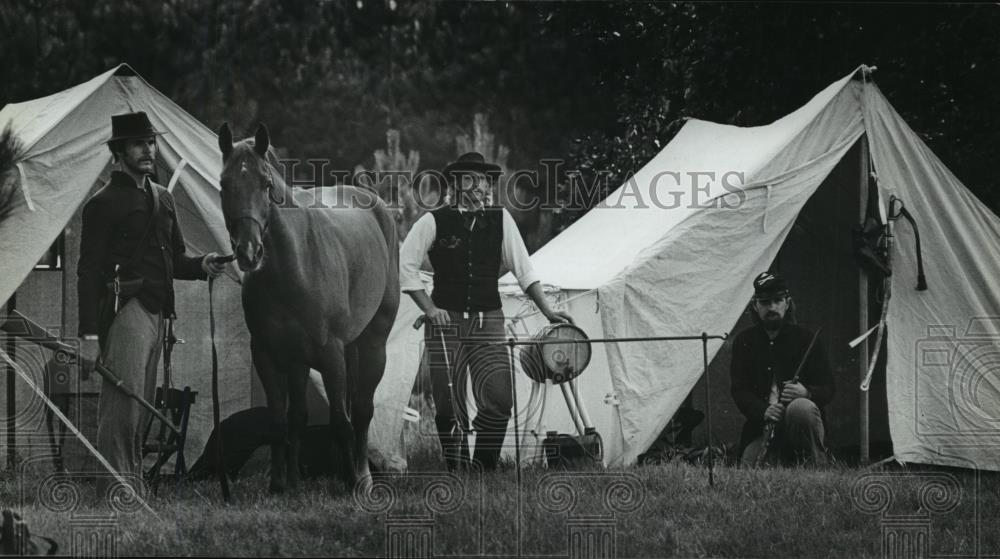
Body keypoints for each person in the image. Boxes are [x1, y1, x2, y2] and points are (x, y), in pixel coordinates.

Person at [77, 112, 226, 493]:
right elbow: (88, 272)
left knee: (140, 404)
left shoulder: (164, 198)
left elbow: (174, 259)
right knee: (122, 405)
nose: (148, 150)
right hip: (126, 310)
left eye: (151, 142)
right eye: (139, 143)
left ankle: (130, 483)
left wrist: (201, 265)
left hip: (159, 313)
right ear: (119, 151)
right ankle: (117, 489)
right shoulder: (102, 203)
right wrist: (89, 336)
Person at [399, 152, 573, 472]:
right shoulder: (433, 220)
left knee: (499, 398)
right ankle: (457, 468)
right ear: (456, 184)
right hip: (445, 324)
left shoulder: (501, 218)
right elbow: (405, 268)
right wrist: (431, 309)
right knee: (448, 404)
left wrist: (548, 311)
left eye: (483, 180)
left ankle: (483, 468)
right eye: (470, 179)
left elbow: (525, 271)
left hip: (489, 321)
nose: (479, 185)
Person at [730, 271, 835, 466]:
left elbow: (829, 388)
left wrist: (807, 392)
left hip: (801, 425)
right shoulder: (744, 341)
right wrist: (764, 411)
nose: (772, 307)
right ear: (755, 305)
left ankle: (815, 467)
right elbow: (739, 390)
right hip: (763, 427)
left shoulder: (807, 339)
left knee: (800, 408)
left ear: (787, 303)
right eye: (765, 302)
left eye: (777, 301)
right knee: (749, 466)